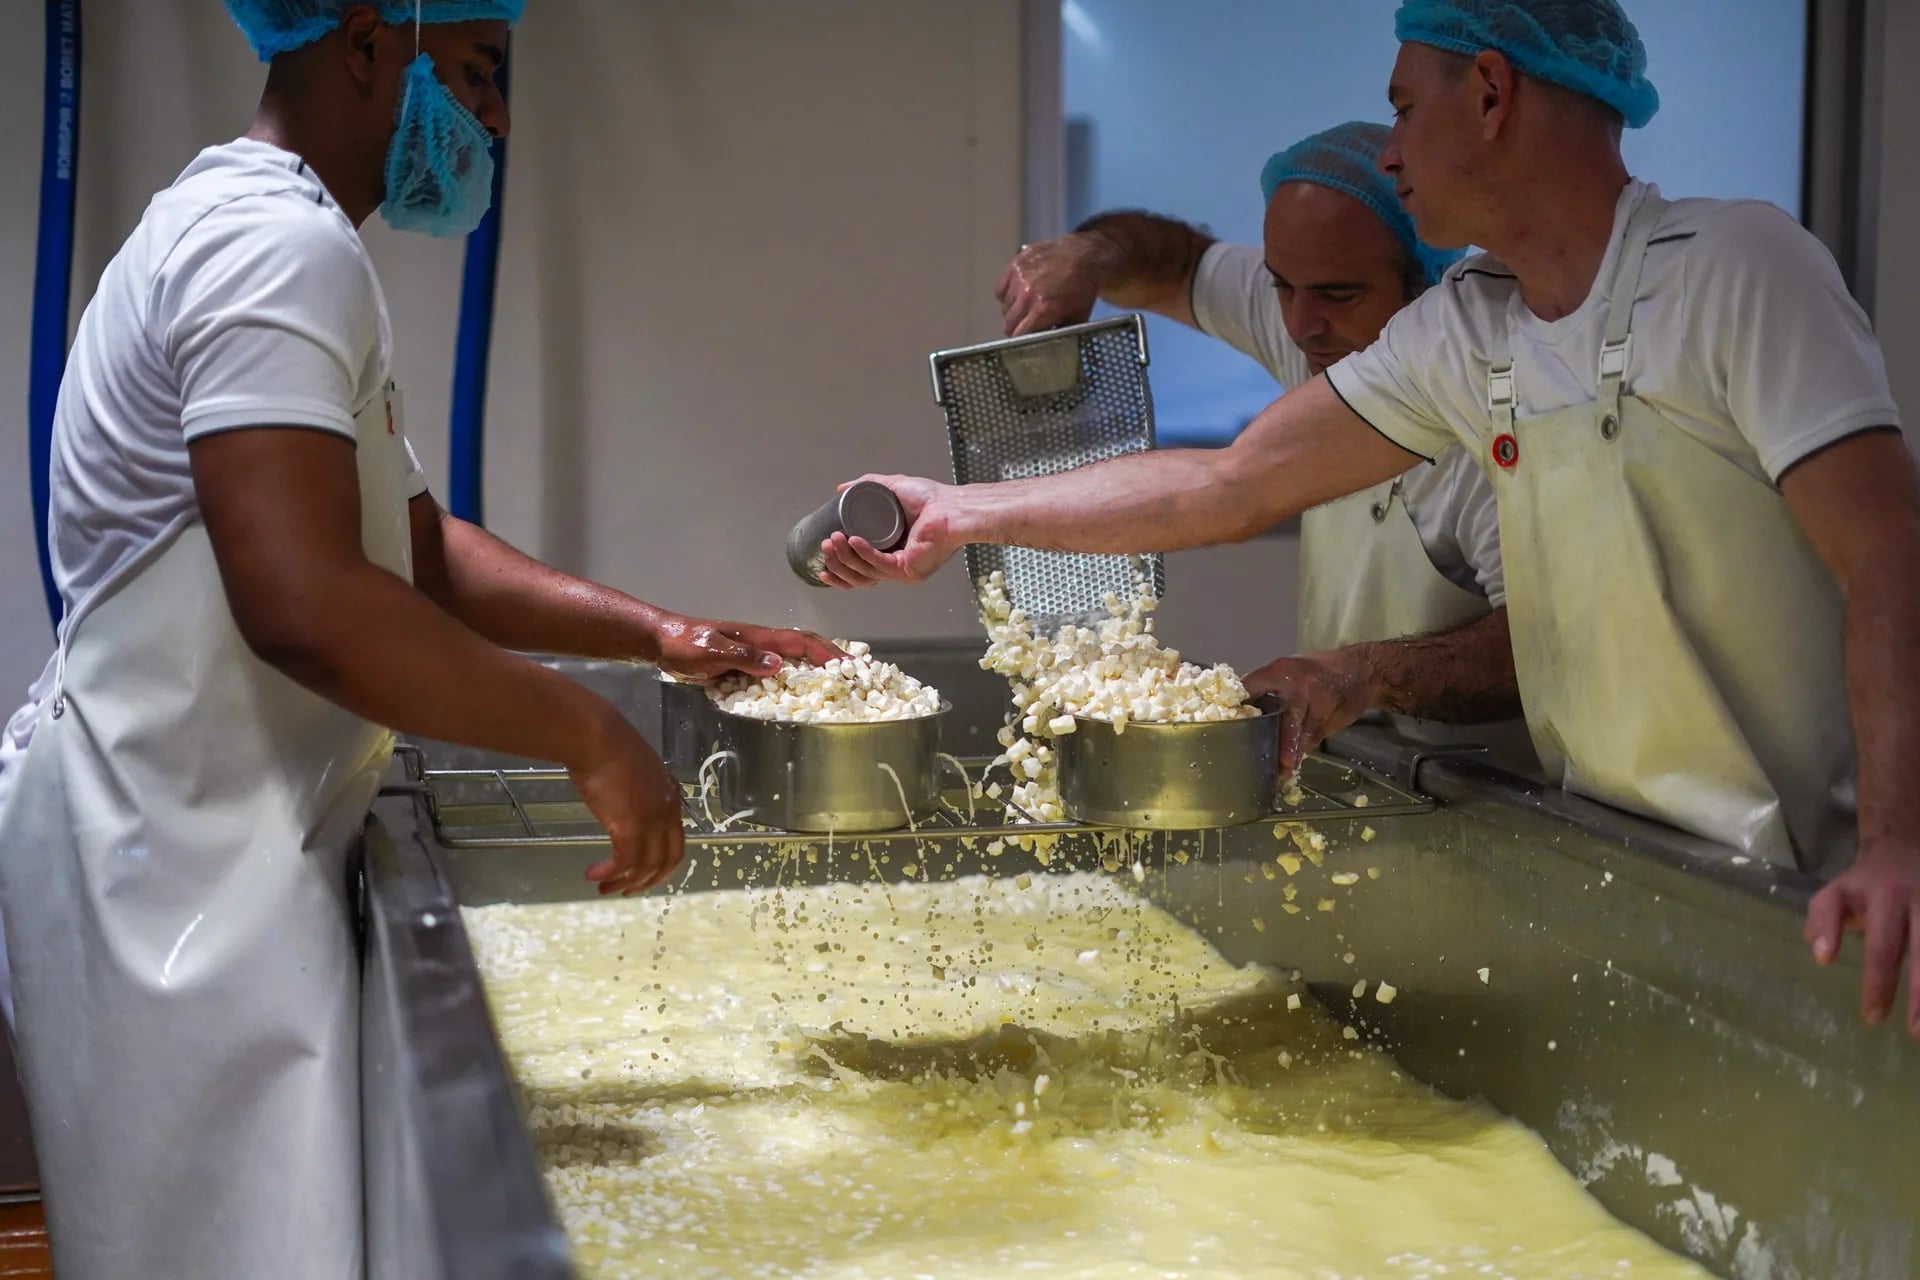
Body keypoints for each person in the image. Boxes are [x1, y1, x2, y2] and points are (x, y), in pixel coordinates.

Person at [820, 0, 1920, 1036]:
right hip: (1615, 853)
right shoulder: (1470, 330)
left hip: (1807, 895)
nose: (1389, 153)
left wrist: (1898, 842)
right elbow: (1231, 484)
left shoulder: (1736, 271)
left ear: (1490, 93)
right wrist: (962, 511)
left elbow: (1888, 553)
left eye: (1402, 108)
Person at [0, 3, 836, 1275]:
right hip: (171, 875)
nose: (493, 117)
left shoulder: (282, 232)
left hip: (210, 844)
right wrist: (587, 733)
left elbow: (416, 548)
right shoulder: (268, 246)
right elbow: (304, 601)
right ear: (365, 40)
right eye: (477, 72)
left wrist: (662, 635)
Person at [993, 122, 1536, 776]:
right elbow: (1177, 263)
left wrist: (1366, 674)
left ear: (1426, 290)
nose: (1301, 324)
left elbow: (1535, 650)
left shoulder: (1491, 425)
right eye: (1283, 286)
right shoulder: (1314, 320)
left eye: (1339, 294)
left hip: (1485, 786)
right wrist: (1093, 252)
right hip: (1352, 762)